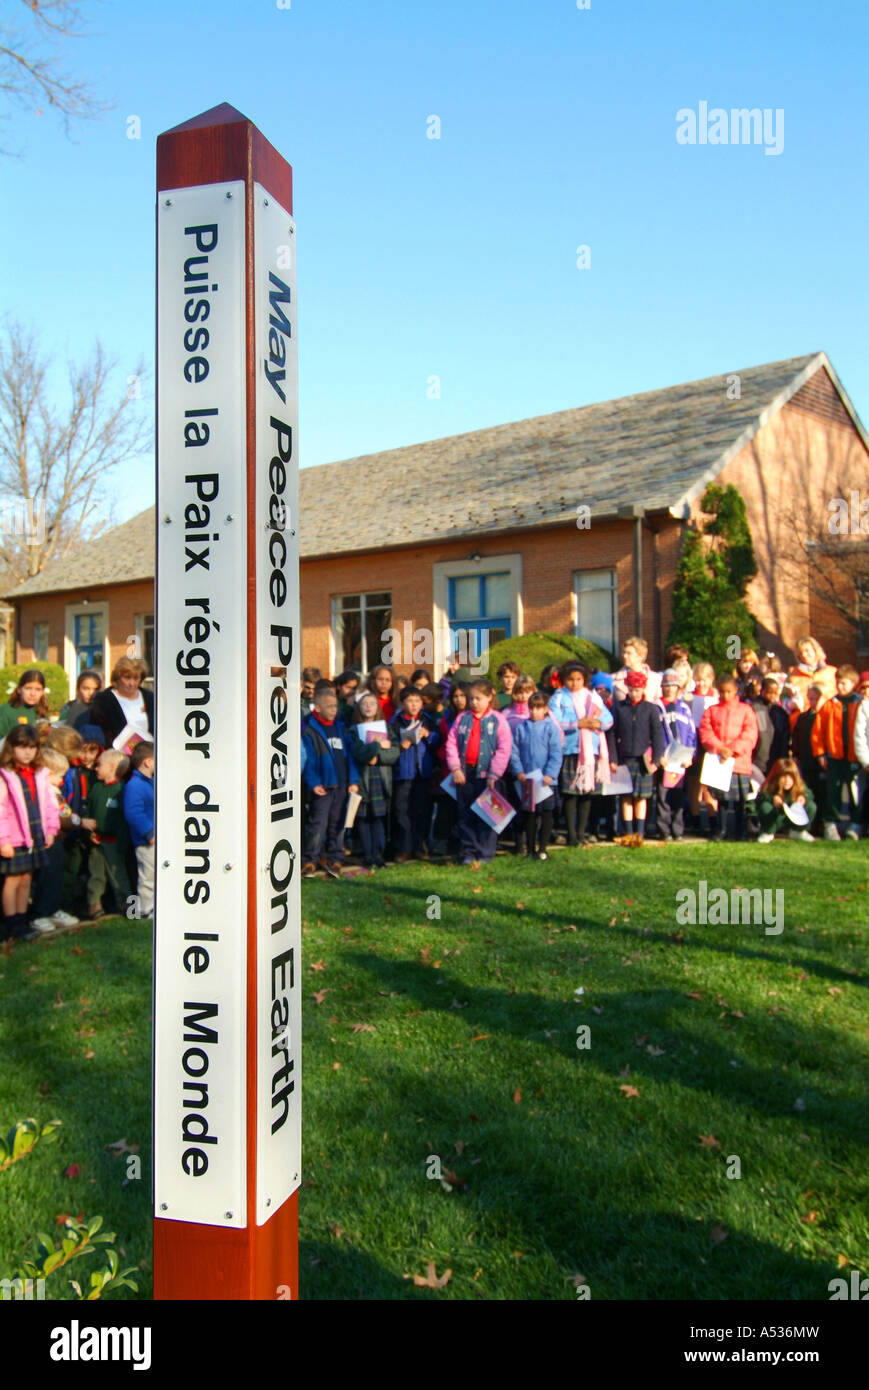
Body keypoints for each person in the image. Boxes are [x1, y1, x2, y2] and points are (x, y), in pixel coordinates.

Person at [0, 726, 60, 941]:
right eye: (22, 747)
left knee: (27, 879)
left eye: (32, 748)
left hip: (34, 835)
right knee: (12, 880)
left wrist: (51, 830)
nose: (27, 753)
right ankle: (11, 922)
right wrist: (3, 840)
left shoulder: (40, 773)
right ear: (11, 748)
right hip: (13, 838)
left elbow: (50, 804)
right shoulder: (5, 775)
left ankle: (23, 919)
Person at [445, 678, 512, 866]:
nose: (474, 702)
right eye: (471, 698)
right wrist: (456, 768)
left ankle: (485, 853)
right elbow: (451, 743)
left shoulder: (498, 720)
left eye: (478, 699)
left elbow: (504, 748)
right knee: (465, 815)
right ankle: (468, 852)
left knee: (487, 816)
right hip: (465, 775)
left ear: (490, 697)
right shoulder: (462, 718)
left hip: (488, 777)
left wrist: (494, 774)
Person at [549, 661, 612, 846]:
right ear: (564, 680)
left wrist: (597, 723)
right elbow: (555, 720)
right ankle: (571, 834)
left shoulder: (592, 697)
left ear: (584, 679)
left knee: (586, 793)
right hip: (570, 749)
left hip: (590, 751)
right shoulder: (559, 697)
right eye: (570, 679)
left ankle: (581, 831)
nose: (574, 683)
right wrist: (578, 723)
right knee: (570, 794)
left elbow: (608, 719)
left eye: (578, 679)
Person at [300, 687, 358, 877]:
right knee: (318, 825)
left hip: (341, 785)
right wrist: (313, 783)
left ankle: (335, 859)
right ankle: (310, 860)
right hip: (323, 787)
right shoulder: (310, 730)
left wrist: (353, 780)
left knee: (337, 825)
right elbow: (307, 760)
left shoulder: (341, 728)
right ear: (317, 708)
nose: (334, 710)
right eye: (329, 706)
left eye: (335, 706)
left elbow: (350, 756)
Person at [698, 676, 759, 841]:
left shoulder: (746, 710)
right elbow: (705, 731)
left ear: (736, 691)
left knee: (740, 801)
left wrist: (732, 750)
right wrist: (719, 748)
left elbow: (750, 734)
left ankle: (741, 831)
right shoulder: (712, 710)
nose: (725, 695)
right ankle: (721, 830)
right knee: (722, 800)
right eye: (722, 691)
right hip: (719, 762)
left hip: (739, 762)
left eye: (729, 692)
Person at [29, 747, 81, 934]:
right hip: (45, 839)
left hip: (55, 838)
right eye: (60, 775)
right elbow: (63, 814)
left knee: (55, 874)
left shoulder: (53, 790)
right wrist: (78, 821)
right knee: (46, 876)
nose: (62, 779)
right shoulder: (47, 791)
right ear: (49, 772)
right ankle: (40, 913)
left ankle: (53, 908)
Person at [611, 670, 665, 845]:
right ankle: (628, 831)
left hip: (644, 759)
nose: (635, 693)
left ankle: (640, 833)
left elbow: (657, 734)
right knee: (626, 796)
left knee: (641, 797)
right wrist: (613, 758)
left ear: (643, 688)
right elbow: (612, 734)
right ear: (627, 687)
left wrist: (657, 758)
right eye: (632, 689)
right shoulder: (619, 708)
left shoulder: (650, 709)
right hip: (624, 758)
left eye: (638, 689)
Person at [811, 664, 862, 840]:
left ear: (854, 684)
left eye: (844, 684)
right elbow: (818, 732)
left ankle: (856, 823)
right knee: (833, 790)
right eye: (838, 683)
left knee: (856, 791)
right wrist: (820, 753)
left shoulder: (860, 703)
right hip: (834, 755)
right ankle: (831, 823)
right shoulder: (830, 705)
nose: (840, 687)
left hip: (855, 757)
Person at [349, 691, 399, 870]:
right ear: (358, 707)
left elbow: (394, 752)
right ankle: (368, 855)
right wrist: (377, 746)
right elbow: (358, 753)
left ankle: (379, 855)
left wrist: (378, 757)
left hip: (380, 777)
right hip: (363, 779)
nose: (368, 706)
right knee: (364, 818)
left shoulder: (385, 728)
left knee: (378, 817)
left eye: (372, 703)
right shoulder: (354, 730)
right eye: (364, 703)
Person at [509, 692, 562, 858]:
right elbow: (514, 752)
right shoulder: (520, 728)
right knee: (530, 814)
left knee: (546, 813)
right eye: (531, 708)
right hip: (527, 780)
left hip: (546, 781)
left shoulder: (551, 727)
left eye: (538, 708)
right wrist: (519, 771)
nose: (534, 712)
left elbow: (556, 753)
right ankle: (530, 848)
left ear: (545, 709)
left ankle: (543, 848)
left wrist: (550, 774)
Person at [80, 749, 132, 919]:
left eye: (99, 765)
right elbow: (88, 812)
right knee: (95, 875)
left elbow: (124, 821)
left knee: (119, 876)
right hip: (97, 841)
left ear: (112, 767)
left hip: (114, 842)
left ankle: (129, 907)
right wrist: (90, 834)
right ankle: (94, 904)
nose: (95, 768)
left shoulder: (122, 790)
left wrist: (122, 844)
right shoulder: (96, 788)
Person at [391, 685, 440, 860]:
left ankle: (419, 846)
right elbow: (389, 743)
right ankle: (404, 848)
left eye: (417, 701)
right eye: (409, 701)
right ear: (402, 703)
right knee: (402, 811)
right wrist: (400, 744)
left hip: (422, 772)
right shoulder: (395, 722)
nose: (413, 705)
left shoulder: (427, 719)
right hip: (403, 772)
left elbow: (438, 740)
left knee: (422, 811)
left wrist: (429, 735)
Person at [654, 668, 696, 841]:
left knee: (678, 796)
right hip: (664, 758)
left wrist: (690, 756)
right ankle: (663, 830)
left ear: (678, 688)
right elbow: (653, 733)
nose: (670, 689)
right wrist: (658, 755)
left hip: (680, 760)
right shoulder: (656, 707)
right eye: (667, 685)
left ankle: (677, 829)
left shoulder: (684, 708)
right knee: (663, 796)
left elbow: (692, 734)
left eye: (673, 686)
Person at [89, 657, 153, 747]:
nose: (132, 683)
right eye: (127, 678)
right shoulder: (104, 701)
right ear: (117, 677)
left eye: (136, 678)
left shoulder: (150, 698)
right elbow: (100, 733)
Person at [124, 741, 155, 918]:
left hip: (151, 839)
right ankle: (144, 909)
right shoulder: (135, 785)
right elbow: (133, 813)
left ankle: (151, 906)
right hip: (145, 841)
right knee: (147, 876)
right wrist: (149, 833)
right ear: (148, 762)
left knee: (152, 874)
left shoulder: (148, 783)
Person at [755, 758, 816, 843]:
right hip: (776, 819)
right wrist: (772, 799)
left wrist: (803, 798)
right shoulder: (769, 786)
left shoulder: (799, 786)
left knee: (811, 806)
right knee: (765, 807)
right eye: (783, 777)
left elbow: (809, 794)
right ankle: (768, 832)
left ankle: (798, 831)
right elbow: (759, 800)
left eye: (791, 777)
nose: (787, 781)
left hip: (793, 819)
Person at [589, 672, 618, 841]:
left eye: (605, 689)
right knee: (593, 796)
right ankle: (593, 829)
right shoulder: (592, 706)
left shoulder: (614, 708)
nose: (602, 692)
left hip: (609, 757)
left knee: (610, 797)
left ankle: (611, 829)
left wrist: (613, 758)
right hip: (593, 753)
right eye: (598, 689)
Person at [0, 668, 51, 740]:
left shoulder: (42, 711)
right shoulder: (6, 711)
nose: (33, 694)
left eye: (38, 689)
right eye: (28, 688)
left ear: (43, 692)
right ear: (19, 689)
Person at [788, 637, 837, 707]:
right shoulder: (793, 673)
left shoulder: (832, 672)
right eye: (800, 652)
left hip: (827, 713)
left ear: (815, 650)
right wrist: (788, 704)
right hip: (802, 715)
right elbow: (783, 696)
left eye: (807, 651)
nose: (804, 655)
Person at [612, 636, 662, 704]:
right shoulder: (614, 679)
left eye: (629, 653)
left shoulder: (655, 679)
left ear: (641, 656)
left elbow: (659, 704)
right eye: (624, 652)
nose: (624, 656)